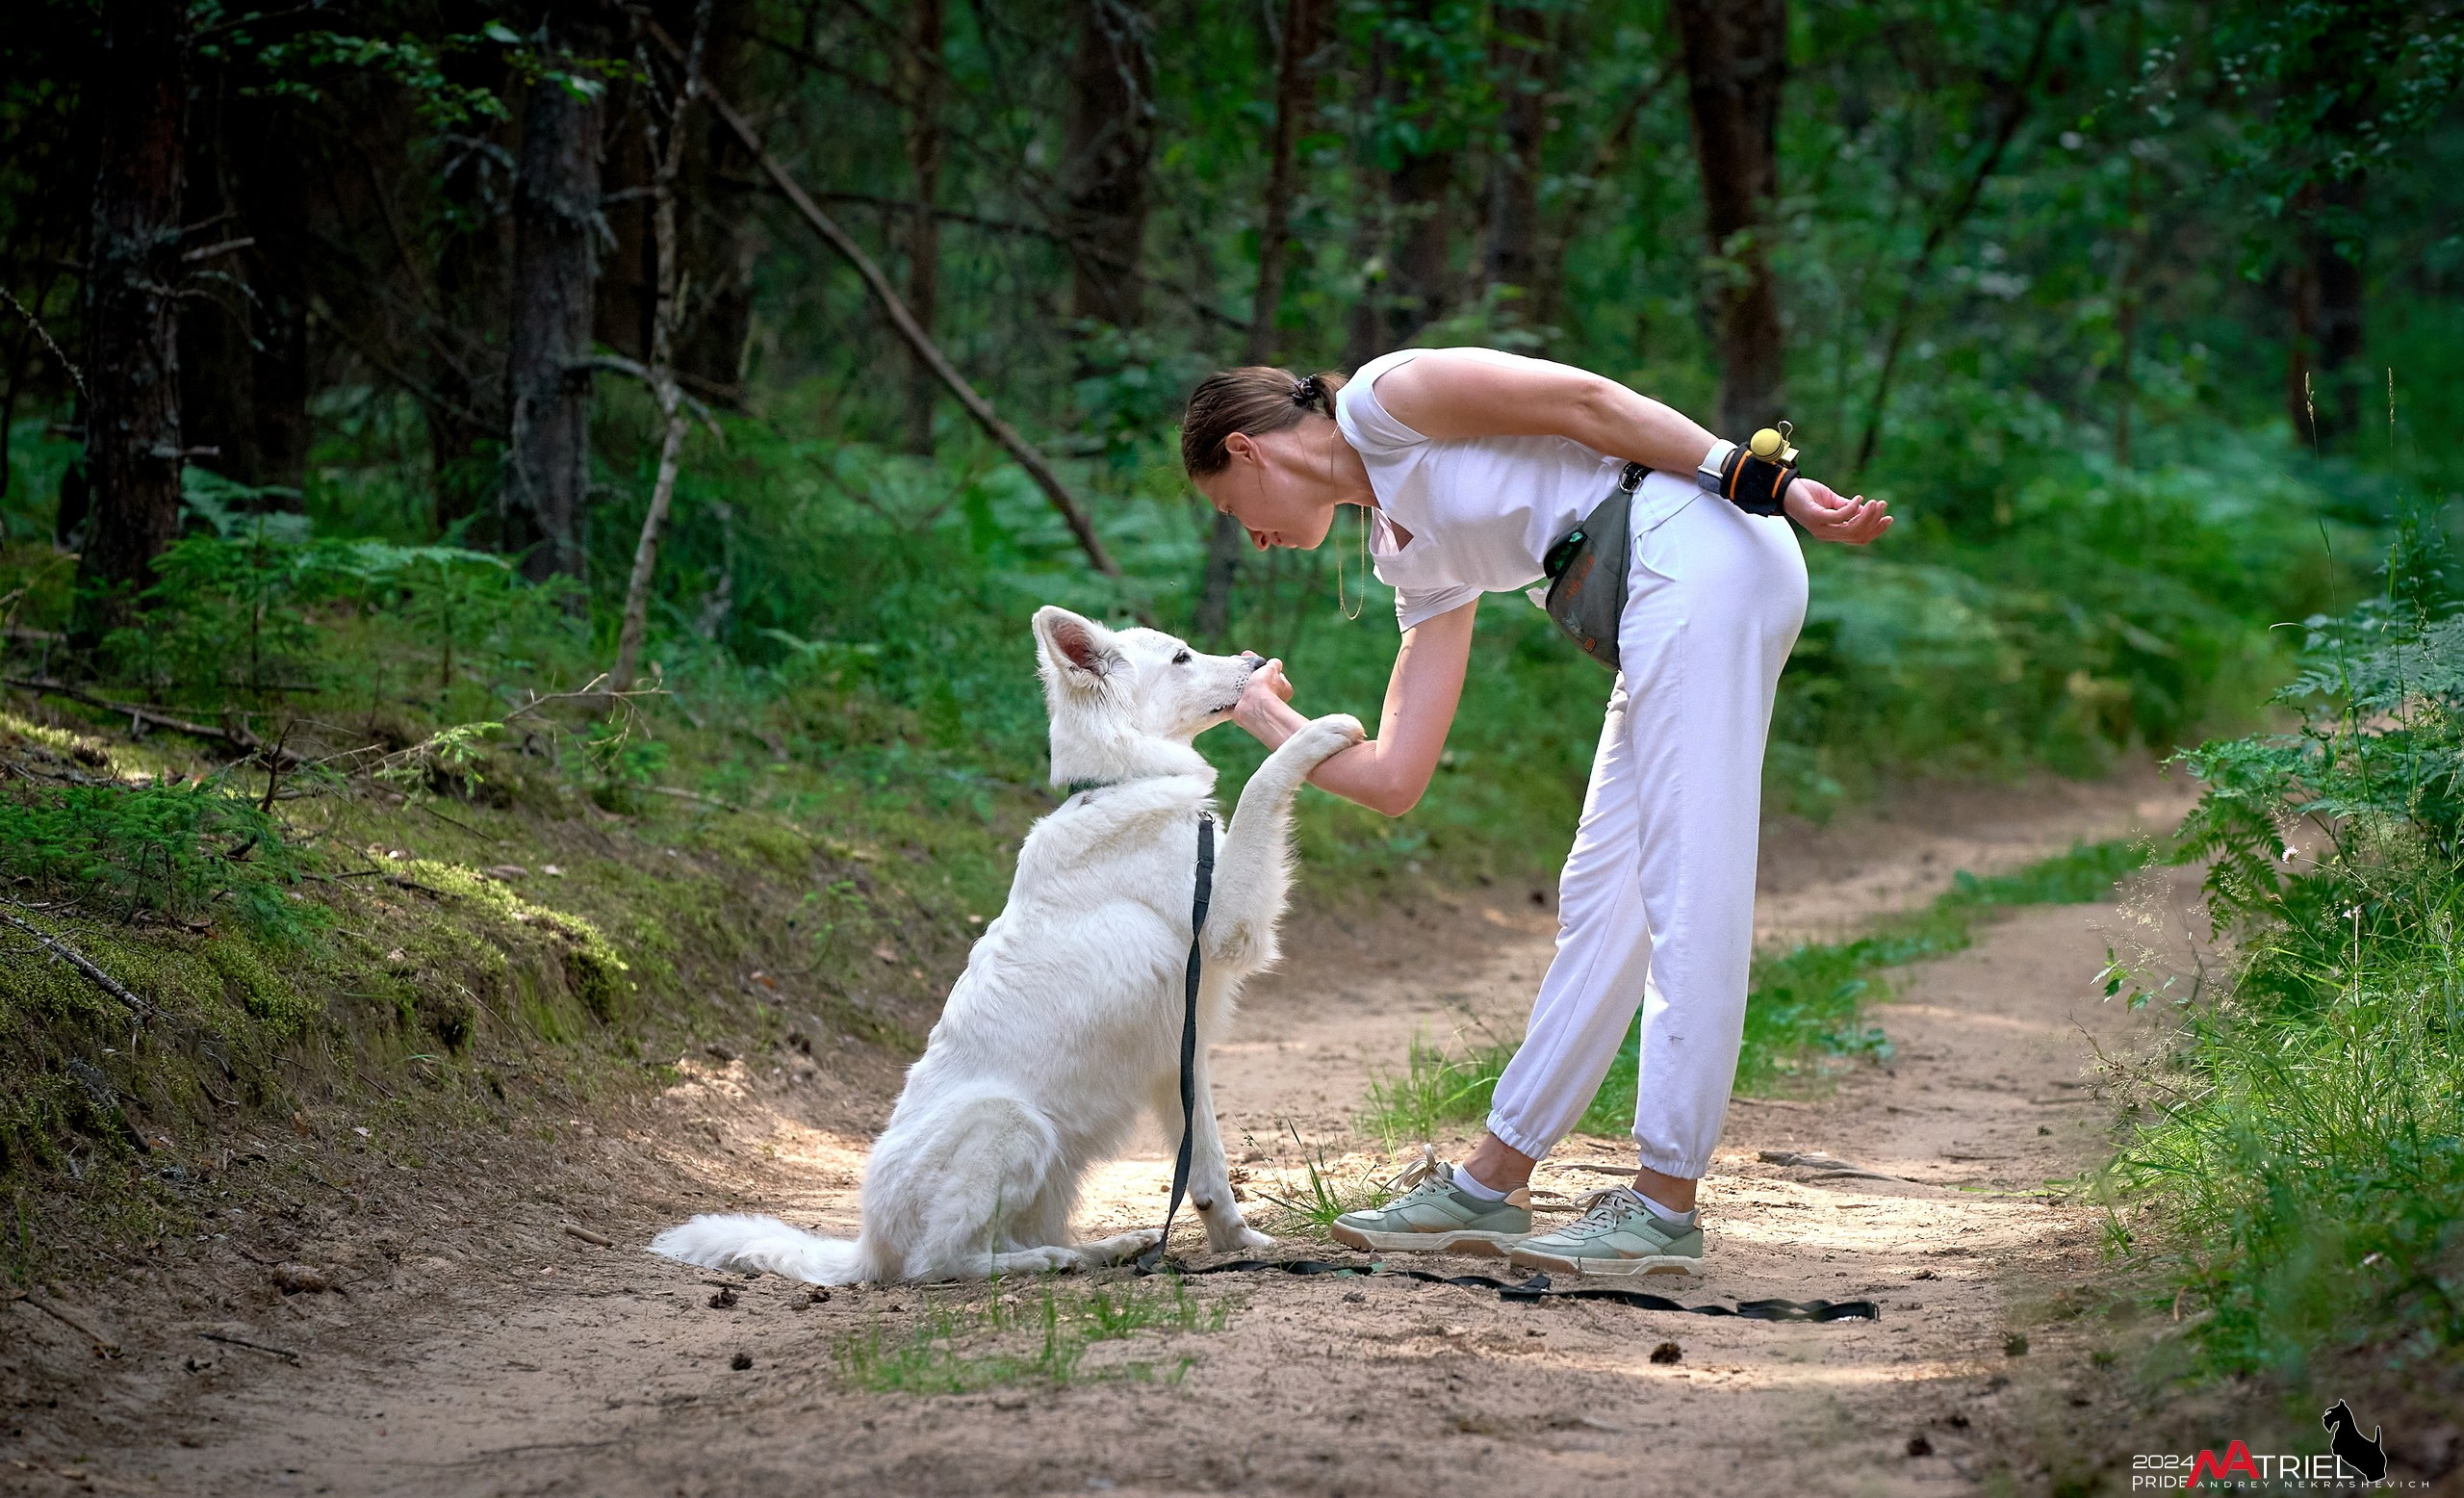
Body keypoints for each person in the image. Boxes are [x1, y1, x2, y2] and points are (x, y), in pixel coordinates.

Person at [1182, 348, 1890, 1277]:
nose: (1254, 538)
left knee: (1688, 882)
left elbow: (1586, 401)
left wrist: (1767, 482)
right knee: (1600, 900)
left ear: (1247, 449)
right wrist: (1270, 720)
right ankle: (1490, 1182)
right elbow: (1396, 778)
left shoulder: (1388, 400)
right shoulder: (1406, 549)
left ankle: (1664, 1204)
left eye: (1234, 511)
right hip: (1664, 591)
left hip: (1701, 548)